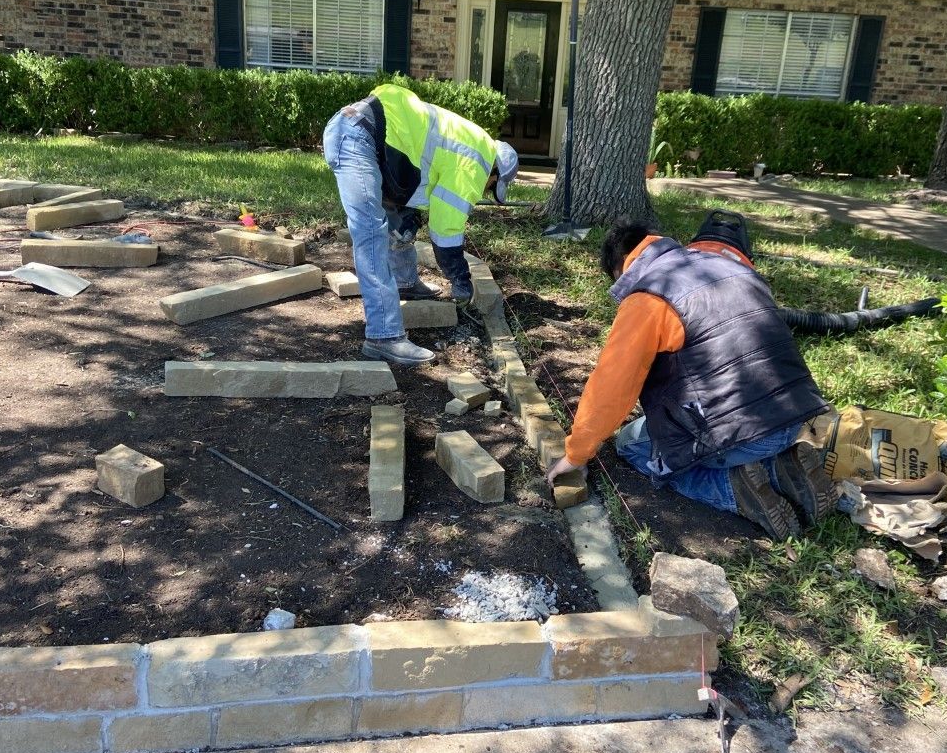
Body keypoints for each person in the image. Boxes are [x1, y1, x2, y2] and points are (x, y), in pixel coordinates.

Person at [546, 211, 839, 539]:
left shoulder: (647, 297)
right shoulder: (733, 267)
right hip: (794, 420)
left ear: (619, 268)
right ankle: (780, 468)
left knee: (631, 444)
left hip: (742, 436)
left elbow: (612, 386)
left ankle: (733, 487)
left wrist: (576, 454)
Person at [323, 84, 519, 366]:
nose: (486, 191)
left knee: (400, 221)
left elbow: (420, 177)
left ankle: (404, 282)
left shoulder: (471, 142)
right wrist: (460, 279)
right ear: (495, 173)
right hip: (360, 139)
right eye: (493, 187)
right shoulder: (477, 161)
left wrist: (408, 216)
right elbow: (445, 229)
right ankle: (384, 336)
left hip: (369, 137)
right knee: (372, 235)